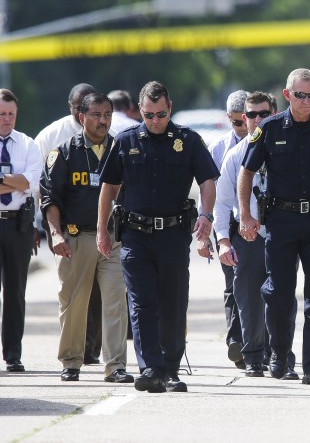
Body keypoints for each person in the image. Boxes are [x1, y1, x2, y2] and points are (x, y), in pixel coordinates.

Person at [96, 80, 219, 393]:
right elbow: (108, 188)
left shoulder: (188, 140)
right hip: (135, 236)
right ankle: (151, 368)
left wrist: (206, 215)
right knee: (142, 303)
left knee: (173, 304)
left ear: (170, 109)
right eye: (149, 115)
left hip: (174, 236)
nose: (155, 121)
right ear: (140, 111)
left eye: (160, 114)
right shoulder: (124, 141)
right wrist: (102, 230)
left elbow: (207, 179)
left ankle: (171, 368)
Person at [238, 68, 310, 387]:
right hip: (281, 221)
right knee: (280, 293)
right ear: (288, 95)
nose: (307, 101)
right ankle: (280, 354)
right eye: (300, 95)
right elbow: (246, 173)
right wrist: (246, 215)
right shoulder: (269, 129)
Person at [40, 92, 133, 384]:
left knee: (116, 301)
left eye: (107, 114)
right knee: (74, 302)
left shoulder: (120, 150)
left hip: (113, 240)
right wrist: (56, 234)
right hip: (77, 239)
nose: (103, 120)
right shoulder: (64, 153)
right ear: (82, 117)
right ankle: (71, 361)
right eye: (96, 115)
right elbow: (49, 198)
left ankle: (116, 365)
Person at [215, 91, 297, 377]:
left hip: (282, 233)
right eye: (251, 115)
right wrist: (224, 240)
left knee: (283, 296)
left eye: (264, 113)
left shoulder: (288, 147)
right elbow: (222, 202)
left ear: (274, 113)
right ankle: (252, 356)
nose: (257, 120)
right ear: (243, 119)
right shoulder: (235, 156)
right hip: (247, 235)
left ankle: (282, 356)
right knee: (248, 297)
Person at [0, 88, 44, 374]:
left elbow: (33, 183)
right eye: (2, 114)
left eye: (12, 114)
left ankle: (13, 353)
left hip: (19, 223)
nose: (7, 119)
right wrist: (14, 181)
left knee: (15, 291)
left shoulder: (27, 144)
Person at [35, 83, 103, 366]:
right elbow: (42, 185)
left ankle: (90, 347)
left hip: (99, 227)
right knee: (73, 289)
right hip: (64, 225)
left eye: (84, 109)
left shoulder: (107, 135)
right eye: (76, 109)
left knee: (99, 289)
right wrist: (51, 228)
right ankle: (73, 348)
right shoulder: (52, 136)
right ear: (71, 108)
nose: (80, 114)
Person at [209, 89, 249, 369]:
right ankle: (236, 339)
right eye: (237, 122)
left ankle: (259, 339)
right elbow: (209, 193)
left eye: (246, 120)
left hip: (256, 221)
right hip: (227, 222)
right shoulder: (219, 148)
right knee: (232, 281)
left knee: (261, 282)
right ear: (228, 119)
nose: (244, 127)